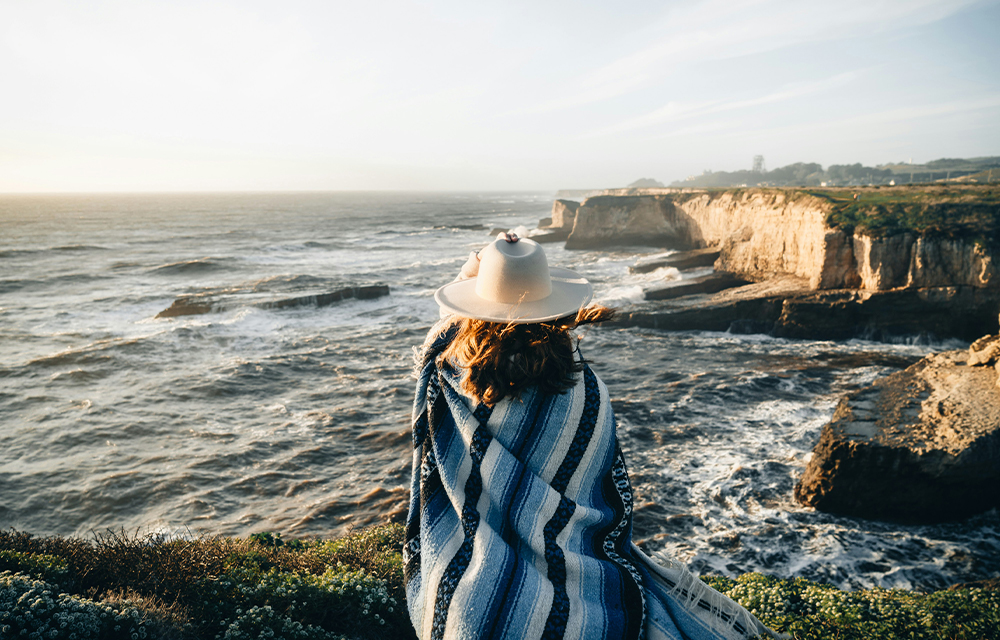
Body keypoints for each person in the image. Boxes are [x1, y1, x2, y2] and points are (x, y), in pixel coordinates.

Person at [404, 233, 783, 640]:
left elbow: (443, 330)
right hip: (576, 560)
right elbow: (600, 487)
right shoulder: (583, 390)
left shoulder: (450, 372)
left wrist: (480, 268)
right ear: (558, 314)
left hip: (471, 572)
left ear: (477, 306)